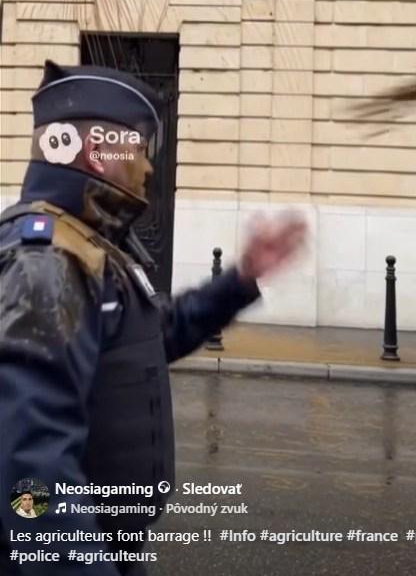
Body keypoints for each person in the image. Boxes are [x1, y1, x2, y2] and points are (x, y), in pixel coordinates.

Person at [0, 59, 307, 575]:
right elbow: (29, 467)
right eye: (141, 148)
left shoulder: (89, 247)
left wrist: (238, 282)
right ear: (98, 151)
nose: (147, 167)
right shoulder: (47, 262)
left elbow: (150, 338)